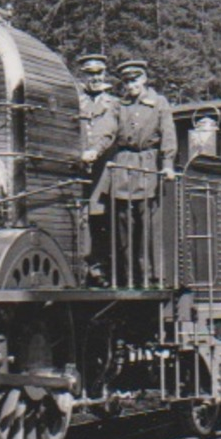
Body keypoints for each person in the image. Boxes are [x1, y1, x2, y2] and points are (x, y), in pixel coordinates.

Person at [100, 59, 178, 286]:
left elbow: (168, 134)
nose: (130, 85)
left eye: (134, 80)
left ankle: (150, 274)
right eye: (126, 81)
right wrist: (94, 150)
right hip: (123, 166)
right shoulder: (118, 105)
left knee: (147, 224)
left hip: (148, 166)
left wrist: (168, 164)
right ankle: (127, 276)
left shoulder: (159, 103)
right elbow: (107, 131)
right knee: (122, 223)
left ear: (144, 79)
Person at [75, 54, 118, 281]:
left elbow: (109, 133)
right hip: (78, 168)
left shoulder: (113, 104)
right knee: (79, 216)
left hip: (103, 170)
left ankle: (100, 267)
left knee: (100, 217)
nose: (95, 78)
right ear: (83, 75)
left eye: (99, 73)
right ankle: (81, 265)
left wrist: (95, 151)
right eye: (90, 74)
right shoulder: (74, 101)